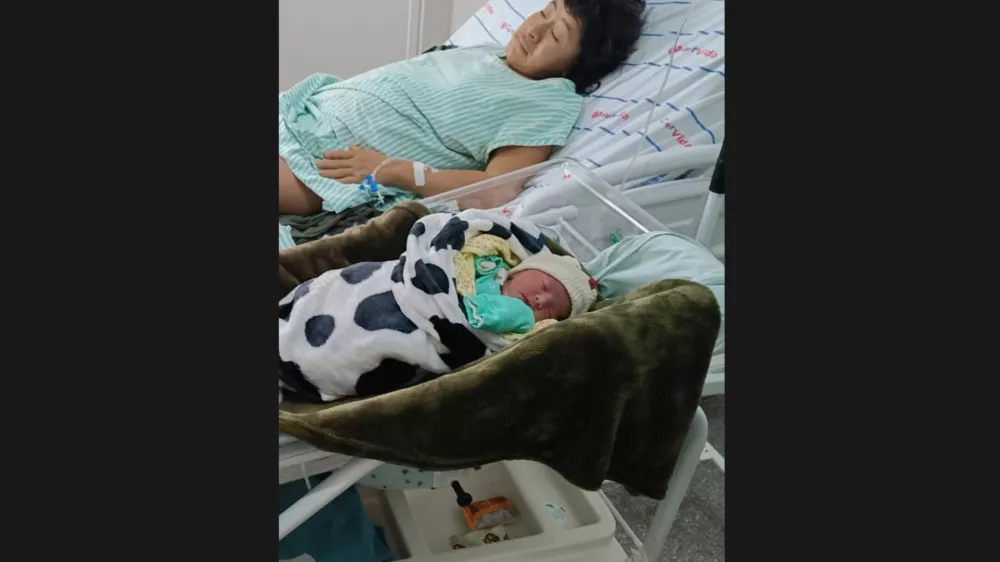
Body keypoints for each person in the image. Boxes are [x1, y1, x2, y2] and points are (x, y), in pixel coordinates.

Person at [278, 0, 645, 222]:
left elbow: (495, 190)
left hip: (319, 165)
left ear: (575, 65)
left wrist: (393, 170)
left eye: (556, 34)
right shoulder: (486, 51)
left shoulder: (548, 101)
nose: (536, 29)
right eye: (545, 11)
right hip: (300, 112)